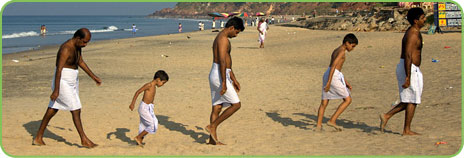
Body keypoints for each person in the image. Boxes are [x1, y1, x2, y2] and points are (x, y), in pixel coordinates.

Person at [33, 28, 101, 148]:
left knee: (53, 109)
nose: (85, 44)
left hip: (72, 79)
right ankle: (84, 139)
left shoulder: (78, 46)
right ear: (78, 38)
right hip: (62, 81)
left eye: (87, 42)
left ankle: (38, 137)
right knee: (76, 109)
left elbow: (80, 61)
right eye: (84, 42)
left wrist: (93, 76)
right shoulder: (66, 48)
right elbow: (59, 69)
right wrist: (56, 90)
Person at [379, 8, 426, 136]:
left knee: (411, 99)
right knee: (412, 99)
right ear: (416, 20)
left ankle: (389, 118)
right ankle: (402, 127)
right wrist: (408, 76)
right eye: (422, 18)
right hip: (408, 67)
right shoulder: (412, 34)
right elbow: (408, 55)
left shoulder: (415, 32)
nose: (425, 19)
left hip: (412, 68)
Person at [206, 17, 245, 145]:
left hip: (219, 73)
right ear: (232, 28)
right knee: (236, 104)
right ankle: (213, 126)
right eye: (237, 32)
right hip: (219, 74)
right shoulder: (223, 39)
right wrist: (224, 82)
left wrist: (234, 79)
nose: (236, 35)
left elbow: (227, 62)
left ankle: (212, 140)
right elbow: (222, 61)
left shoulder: (221, 37)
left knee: (217, 107)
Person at [316, 33, 358, 132]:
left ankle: (318, 126)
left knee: (324, 102)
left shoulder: (336, 49)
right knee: (348, 100)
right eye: (352, 46)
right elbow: (334, 66)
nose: (352, 49)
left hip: (329, 73)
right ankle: (332, 120)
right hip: (333, 75)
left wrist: (345, 81)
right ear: (347, 43)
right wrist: (329, 82)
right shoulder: (342, 52)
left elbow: (335, 67)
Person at [129, 70, 169, 147]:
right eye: (163, 83)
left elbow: (150, 96)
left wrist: (151, 103)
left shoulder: (154, 86)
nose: (162, 85)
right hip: (144, 107)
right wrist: (132, 103)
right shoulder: (149, 85)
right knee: (151, 125)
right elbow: (138, 92)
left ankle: (139, 140)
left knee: (145, 124)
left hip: (148, 107)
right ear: (158, 79)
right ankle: (138, 137)